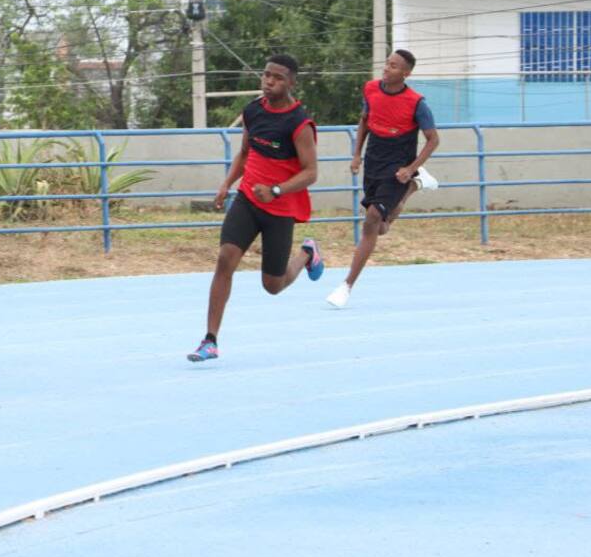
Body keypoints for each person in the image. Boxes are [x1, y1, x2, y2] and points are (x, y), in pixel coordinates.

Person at [187, 55, 325, 363]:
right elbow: (246, 153)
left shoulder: (299, 123)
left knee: (272, 285)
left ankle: (307, 254)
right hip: (248, 199)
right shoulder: (252, 112)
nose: (268, 81)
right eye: (265, 75)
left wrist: (276, 190)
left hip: (280, 207)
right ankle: (210, 340)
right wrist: (227, 183)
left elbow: (311, 172)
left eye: (276, 77)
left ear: (290, 82)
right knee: (225, 259)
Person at [326, 49, 440, 309]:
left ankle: (346, 286)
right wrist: (356, 155)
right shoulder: (370, 90)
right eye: (387, 63)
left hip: (397, 165)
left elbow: (434, 139)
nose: (387, 68)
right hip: (374, 161)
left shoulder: (417, 103)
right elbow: (365, 122)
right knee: (380, 227)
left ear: (406, 73)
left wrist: (411, 167)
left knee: (372, 219)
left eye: (394, 65)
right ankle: (413, 187)